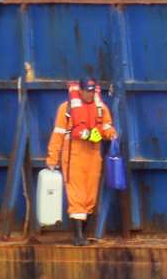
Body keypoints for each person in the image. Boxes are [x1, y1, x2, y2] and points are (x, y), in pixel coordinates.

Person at [45, 78, 116, 246]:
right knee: (76, 196)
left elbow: (107, 127)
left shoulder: (101, 108)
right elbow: (58, 134)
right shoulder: (66, 108)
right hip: (73, 156)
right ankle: (77, 237)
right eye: (86, 90)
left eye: (92, 91)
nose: (89, 94)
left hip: (93, 154)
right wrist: (52, 158)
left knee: (90, 196)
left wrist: (111, 134)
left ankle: (82, 234)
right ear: (80, 90)